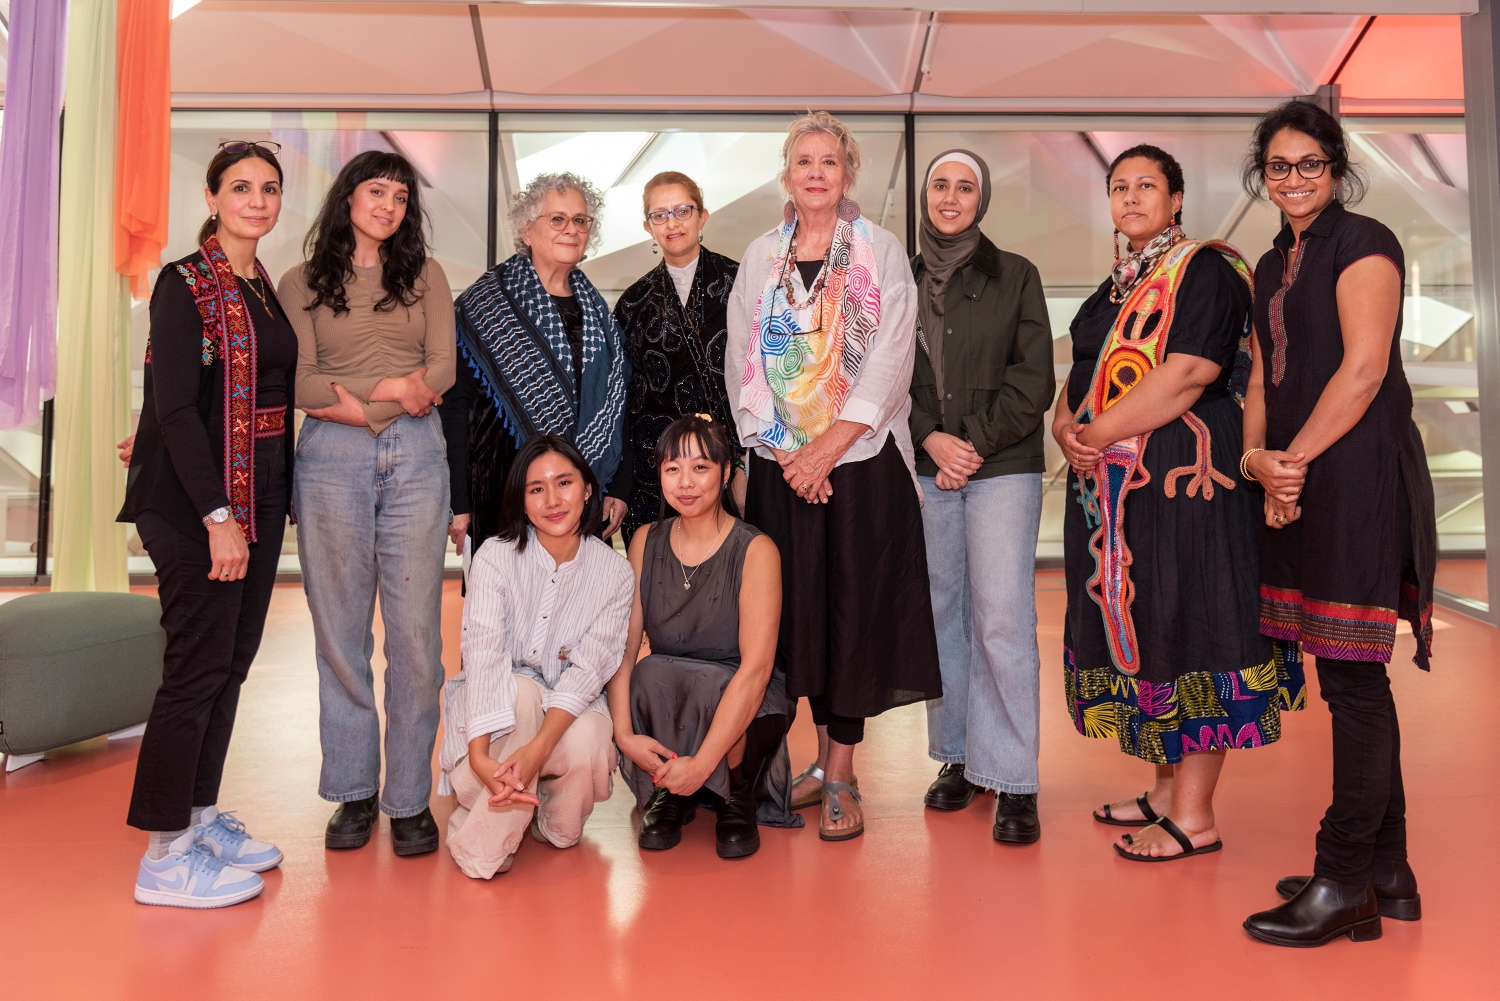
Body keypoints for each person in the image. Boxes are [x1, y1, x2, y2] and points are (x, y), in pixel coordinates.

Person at [1053, 145, 1304, 863]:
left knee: (1193, 624)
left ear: (1177, 198)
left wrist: (1094, 431)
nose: (1131, 197)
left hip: (1189, 483)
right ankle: (1165, 791)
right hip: (1116, 487)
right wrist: (1066, 428)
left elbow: (1191, 370)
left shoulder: (1205, 269)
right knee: (1150, 620)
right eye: (1119, 186)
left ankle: (1194, 814)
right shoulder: (1111, 288)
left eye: (1147, 185)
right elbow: (1079, 376)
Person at [1239, 102, 1436, 948]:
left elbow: (1361, 373)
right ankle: (1387, 869)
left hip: (1356, 476)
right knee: (1341, 676)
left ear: (1336, 166)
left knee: (1356, 679)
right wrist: (1258, 458)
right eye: (1278, 167)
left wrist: (1294, 461)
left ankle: (1344, 876)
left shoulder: (1367, 243)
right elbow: (1259, 378)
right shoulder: (1269, 262)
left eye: (1308, 164)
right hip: (1298, 476)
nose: (1293, 180)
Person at [726, 111, 942, 842]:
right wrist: (787, 452)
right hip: (781, 468)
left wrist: (826, 449)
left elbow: (890, 359)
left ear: (847, 174)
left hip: (858, 467)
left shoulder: (879, 251)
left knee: (851, 621)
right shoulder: (761, 256)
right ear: (787, 175)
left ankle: (841, 772)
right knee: (786, 621)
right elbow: (742, 361)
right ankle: (799, 769)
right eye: (802, 161)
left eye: (829, 161)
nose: (816, 172)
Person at [118, 140, 295, 907]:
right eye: (241, 187)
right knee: (194, 669)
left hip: (255, 501)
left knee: (231, 663)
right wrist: (218, 515)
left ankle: (195, 818)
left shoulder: (258, 284)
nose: (257, 199)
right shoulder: (183, 282)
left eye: (269, 188)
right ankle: (163, 855)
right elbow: (179, 408)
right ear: (214, 196)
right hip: (200, 508)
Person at [278, 150, 455, 857]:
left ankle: (408, 798)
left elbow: (440, 367)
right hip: (329, 461)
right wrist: (390, 395)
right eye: (376, 191)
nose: (389, 205)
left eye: (401, 197)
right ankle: (353, 791)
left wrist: (368, 398)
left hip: (417, 457)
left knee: (417, 639)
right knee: (339, 632)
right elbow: (301, 379)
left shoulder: (427, 276)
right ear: (347, 196)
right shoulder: (299, 282)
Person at [907, 150, 1055, 843]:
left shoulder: (1017, 275)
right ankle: (960, 758)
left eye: (965, 187)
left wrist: (968, 443)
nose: (951, 196)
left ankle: (1015, 777)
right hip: (926, 463)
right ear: (925, 194)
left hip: (1002, 465)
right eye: (941, 184)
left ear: (981, 199)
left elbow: (1035, 380)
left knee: (1000, 617)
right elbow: (883, 378)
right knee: (943, 612)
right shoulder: (899, 280)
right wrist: (931, 439)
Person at [438, 435, 633, 879]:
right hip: (491, 737)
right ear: (521, 501)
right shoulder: (495, 556)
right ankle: (484, 845)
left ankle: (543, 818)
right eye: (536, 489)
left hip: (556, 726)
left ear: (587, 489)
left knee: (588, 745)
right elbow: (483, 658)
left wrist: (535, 752)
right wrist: (483, 759)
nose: (552, 500)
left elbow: (588, 673)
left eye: (563, 483)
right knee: (522, 692)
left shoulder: (615, 574)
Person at [608, 415, 797, 859]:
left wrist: (704, 763)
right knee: (648, 671)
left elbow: (756, 671)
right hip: (675, 697)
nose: (685, 483)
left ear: (726, 472)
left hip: (745, 700)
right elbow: (624, 648)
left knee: (717, 682)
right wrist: (623, 735)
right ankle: (672, 790)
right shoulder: (643, 541)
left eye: (701, 468)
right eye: (673, 469)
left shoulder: (756, 550)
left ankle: (735, 793)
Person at [442, 173, 630, 550]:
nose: (571, 229)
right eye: (557, 219)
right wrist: (458, 502)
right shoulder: (484, 303)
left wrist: (617, 486)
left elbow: (617, 407)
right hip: (502, 491)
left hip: (582, 496)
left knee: (580, 605)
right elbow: (455, 406)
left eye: (580, 220)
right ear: (526, 230)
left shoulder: (599, 313)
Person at [614, 172, 743, 543]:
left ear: (702, 217)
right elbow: (625, 401)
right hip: (661, 472)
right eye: (660, 215)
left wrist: (745, 461)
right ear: (647, 226)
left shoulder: (741, 282)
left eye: (682, 211)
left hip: (731, 464)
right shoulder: (633, 302)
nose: (672, 223)